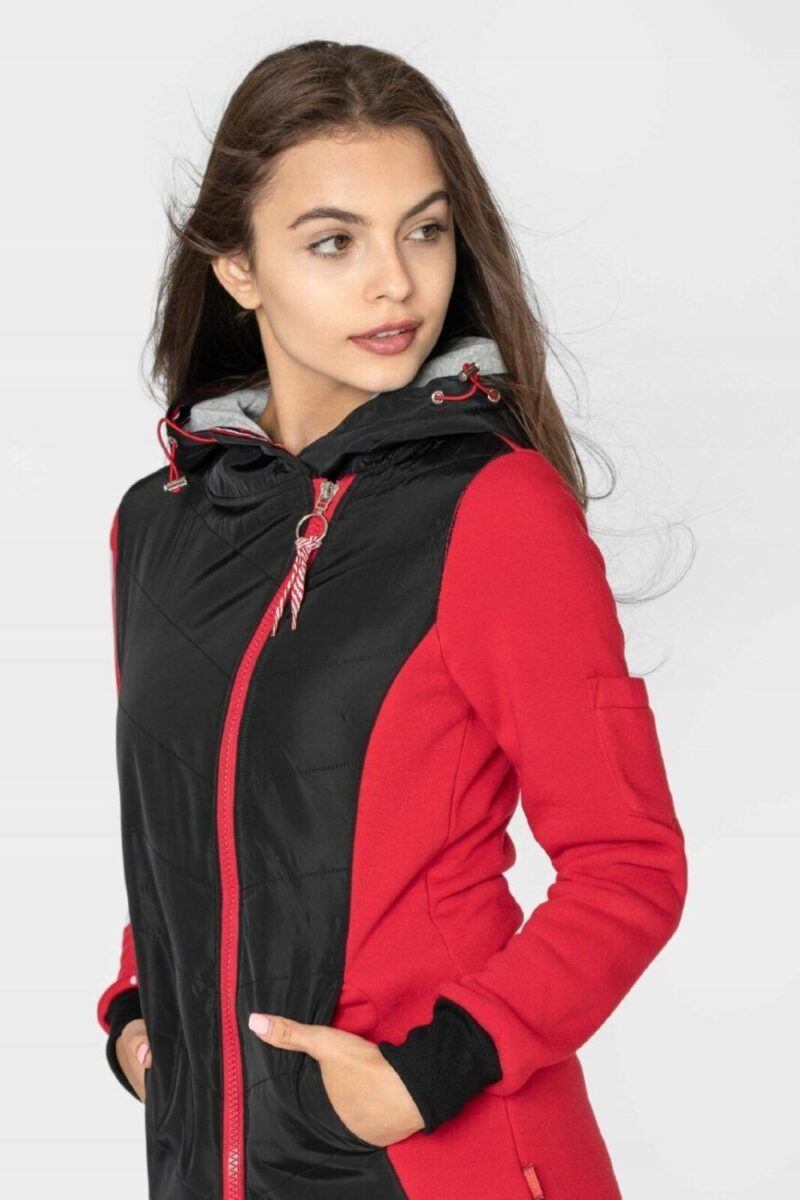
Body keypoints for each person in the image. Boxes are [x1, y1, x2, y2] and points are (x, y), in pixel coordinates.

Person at [95, 39, 688, 1200]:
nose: (396, 284)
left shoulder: (493, 508)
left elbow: (627, 865)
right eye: (334, 241)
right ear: (237, 266)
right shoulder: (156, 526)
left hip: (439, 1157)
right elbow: (187, 817)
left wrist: (429, 1073)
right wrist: (135, 1013)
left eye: (423, 230)